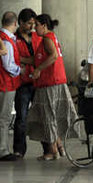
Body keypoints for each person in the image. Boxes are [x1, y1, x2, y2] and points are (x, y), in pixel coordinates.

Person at [26, 14, 77, 161]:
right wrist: (20, 59)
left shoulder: (47, 38)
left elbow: (53, 56)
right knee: (52, 116)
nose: (35, 28)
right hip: (55, 82)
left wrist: (38, 69)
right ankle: (59, 147)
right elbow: (38, 59)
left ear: (44, 25)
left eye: (36, 25)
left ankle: (52, 151)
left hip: (50, 83)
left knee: (47, 117)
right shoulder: (50, 38)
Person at [13, 8, 43, 159]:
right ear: (20, 23)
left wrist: (24, 60)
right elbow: (13, 57)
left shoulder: (37, 36)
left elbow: (41, 56)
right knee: (21, 117)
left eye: (33, 23)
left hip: (38, 82)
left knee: (42, 116)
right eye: (29, 24)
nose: (32, 26)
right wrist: (27, 60)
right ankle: (19, 150)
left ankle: (48, 149)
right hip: (23, 83)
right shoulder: (13, 38)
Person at [0, 11, 23, 161]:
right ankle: (2, 150)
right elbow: (8, 65)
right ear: (15, 23)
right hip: (5, 84)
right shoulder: (6, 40)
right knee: (4, 118)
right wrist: (21, 71)